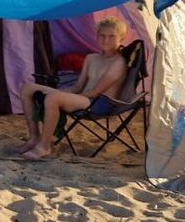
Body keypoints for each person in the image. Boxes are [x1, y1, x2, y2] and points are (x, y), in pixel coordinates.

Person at [17, 17, 128, 161]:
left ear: (122, 38)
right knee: (27, 89)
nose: (106, 40)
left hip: (100, 102)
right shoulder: (91, 58)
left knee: (53, 98)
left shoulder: (119, 62)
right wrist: (61, 92)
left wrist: (58, 94)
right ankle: (34, 137)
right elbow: (78, 86)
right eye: (102, 35)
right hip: (84, 98)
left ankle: (44, 146)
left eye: (111, 36)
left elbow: (96, 92)